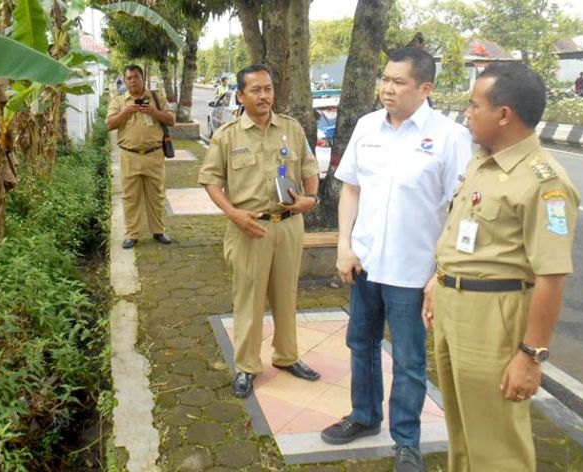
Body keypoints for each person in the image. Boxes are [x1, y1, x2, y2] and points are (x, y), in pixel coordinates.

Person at [320, 47, 473, 472]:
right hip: (365, 262)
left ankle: (407, 441)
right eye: (384, 78)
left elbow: (462, 209)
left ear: (426, 88)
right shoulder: (368, 127)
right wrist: (343, 246)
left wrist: (440, 274)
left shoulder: (449, 138)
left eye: (398, 81)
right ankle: (364, 416)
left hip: (414, 270)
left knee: (409, 360)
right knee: (360, 344)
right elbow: (351, 188)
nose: (387, 88)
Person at [424, 62, 579, 472]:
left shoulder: (545, 182)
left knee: (497, 444)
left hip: (494, 316)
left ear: (504, 114)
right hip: (454, 306)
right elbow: (465, 234)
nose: (467, 114)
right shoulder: (482, 161)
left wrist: (530, 355)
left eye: (475, 105)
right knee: (463, 431)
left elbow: (551, 275)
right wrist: (437, 282)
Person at [198, 64, 322, 398]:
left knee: (286, 296)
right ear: (240, 95)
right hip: (249, 228)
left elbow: (310, 169)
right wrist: (234, 214)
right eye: (256, 90)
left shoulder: (292, 130)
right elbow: (210, 180)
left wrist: (310, 199)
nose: (264, 95)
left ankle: (286, 356)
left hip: (289, 226)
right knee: (248, 300)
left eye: (268, 88)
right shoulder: (227, 135)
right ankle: (247, 366)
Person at [106, 65, 175, 249]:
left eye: (136, 77)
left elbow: (171, 120)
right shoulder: (119, 101)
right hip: (130, 156)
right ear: (125, 80)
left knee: (156, 195)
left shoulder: (156, 97)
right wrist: (126, 112)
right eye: (129, 78)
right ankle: (132, 234)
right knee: (130, 197)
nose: (132, 81)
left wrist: (154, 112)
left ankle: (158, 231)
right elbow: (110, 124)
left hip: (154, 154)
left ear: (143, 78)